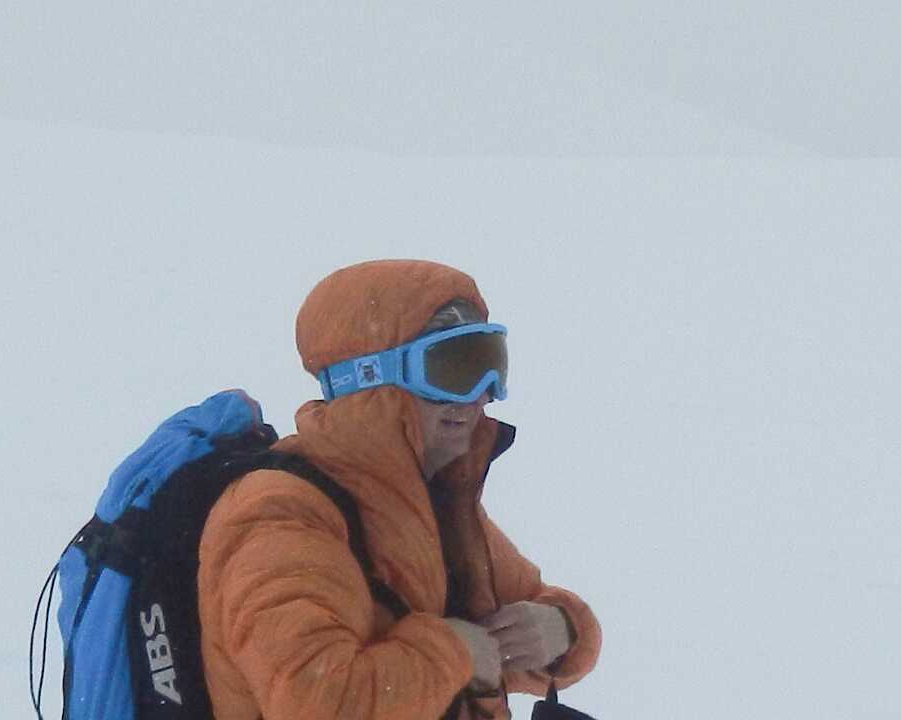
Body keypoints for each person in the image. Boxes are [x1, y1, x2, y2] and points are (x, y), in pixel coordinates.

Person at [193, 259, 601, 720]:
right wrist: (453, 653)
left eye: (488, 363)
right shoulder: (279, 516)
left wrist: (561, 628)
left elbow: (530, 608)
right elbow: (318, 702)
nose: (478, 396)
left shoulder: (435, 504)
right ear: (370, 381)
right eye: (451, 368)